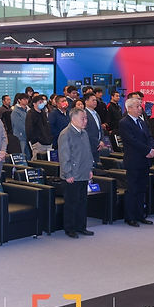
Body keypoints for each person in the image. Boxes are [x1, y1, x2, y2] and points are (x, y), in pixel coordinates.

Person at [118, 98, 154, 226]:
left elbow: (149, 136)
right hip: (134, 160)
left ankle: (140, 215)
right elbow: (132, 141)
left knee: (142, 189)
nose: (140, 108)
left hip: (145, 160)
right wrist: (147, 150)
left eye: (140, 106)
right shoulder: (124, 122)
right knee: (132, 189)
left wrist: (152, 148)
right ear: (129, 108)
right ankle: (130, 217)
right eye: (138, 106)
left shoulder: (142, 121)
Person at [57, 108, 95, 238]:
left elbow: (88, 153)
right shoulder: (65, 134)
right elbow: (64, 155)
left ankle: (81, 226)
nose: (85, 121)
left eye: (86, 118)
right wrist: (68, 174)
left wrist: (90, 169)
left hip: (83, 172)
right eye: (82, 118)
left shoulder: (84, 133)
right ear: (73, 119)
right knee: (71, 203)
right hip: (72, 175)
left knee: (82, 202)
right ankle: (70, 228)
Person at [83, 92, 107, 166]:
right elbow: (86, 131)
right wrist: (97, 142)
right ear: (86, 101)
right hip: (89, 145)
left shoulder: (96, 113)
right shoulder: (84, 114)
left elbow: (100, 129)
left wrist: (102, 140)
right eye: (93, 100)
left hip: (98, 145)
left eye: (95, 100)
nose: (95, 102)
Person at [10, 93, 29, 158]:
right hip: (20, 136)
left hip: (27, 136)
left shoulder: (28, 110)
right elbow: (18, 125)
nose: (26, 101)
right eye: (24, 99)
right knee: (21, 154)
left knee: (28, 155)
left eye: (27, 99)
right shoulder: (16, 111)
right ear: (19, 100)